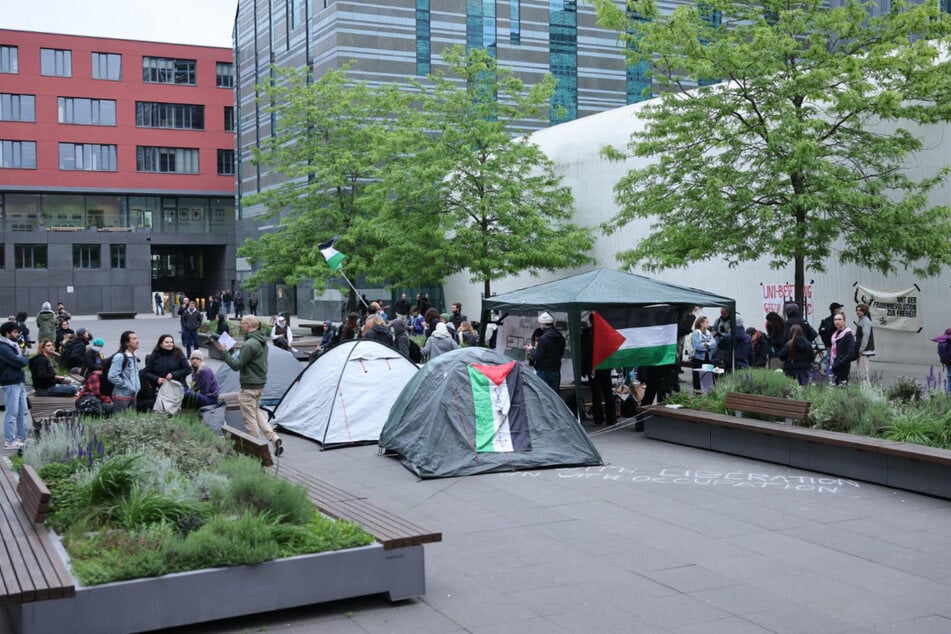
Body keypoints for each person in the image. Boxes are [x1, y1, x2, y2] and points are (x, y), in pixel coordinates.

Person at [217, 316, 283, 456]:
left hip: (248, 386)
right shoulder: (262, 341)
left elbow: (236, 365)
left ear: (249, 325)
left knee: (249, 418)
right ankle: (273, 437)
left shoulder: (250, 344)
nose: (241, 326)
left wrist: (223, 352)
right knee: (256, 412)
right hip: (259, 384)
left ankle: (257, 449)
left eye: (242, 324)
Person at [580, 316, 617, 426]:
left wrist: (583, 368)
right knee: (607, 392)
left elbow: (584, 353)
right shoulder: (606, 332)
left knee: (596, 394)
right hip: (604, 365)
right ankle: (611, 418)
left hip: (593, 367)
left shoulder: (587, 333)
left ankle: (598, 418)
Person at [0, 322, 30, 449]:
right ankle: (9, 441)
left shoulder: (13, 345)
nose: (17, 334)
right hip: (11, 382)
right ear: (7, 333)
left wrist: (22, 358)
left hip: (18, 381)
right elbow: (20, 361)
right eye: (15, 332)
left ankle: (21, 438)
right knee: (11, 413)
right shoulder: (3, 347)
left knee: (23, 411)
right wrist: (23, 358)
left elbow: (22, 359)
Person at [525, 312, 565, 393]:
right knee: (554, 396)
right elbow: (561, 353)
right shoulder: (560, 337)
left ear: (543, 324)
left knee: (544, 396)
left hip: (543, 371)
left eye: (540, 324)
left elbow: (537, 357)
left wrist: (531, 349)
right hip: (556, 370)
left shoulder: (543, 339)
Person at [107, 330, 141, 412]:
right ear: (127, 343)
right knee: (119, 420)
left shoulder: (134, 357)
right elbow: (112, 376)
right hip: (121, 396)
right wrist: (126, 386)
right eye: (134, 339)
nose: (137, 341)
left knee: (130, 420)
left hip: (133, 395)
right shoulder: (120, 357)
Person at [690, 315, 717, 392]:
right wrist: (708, 346)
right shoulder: (696, 333)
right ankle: (697, 394)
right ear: (701, 323)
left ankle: (708, 393)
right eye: (706, 322)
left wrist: (706, 344)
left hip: (708, 358)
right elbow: (697, 346)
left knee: (708, 376)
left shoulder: (708, 333)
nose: (708, 324)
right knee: (697, 378)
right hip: (698, 359)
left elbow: (714, 344)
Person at [829, 312, 856, 386]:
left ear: (844, 321)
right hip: (835, 364)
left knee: (842, 387)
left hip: (843, 365)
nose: (837, 321)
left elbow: (851, 353)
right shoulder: (835, 334)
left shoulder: (848, 334)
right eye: (835, 319)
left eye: (839, 319)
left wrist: (840, 363)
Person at [817, 302, 843, 374]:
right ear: (835, 310)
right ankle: (837, 378)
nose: (841, 310)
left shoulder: (826, 320)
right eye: (839, 308)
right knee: (838, 361)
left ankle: (830, 378)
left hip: (829, 345)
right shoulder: (838, 320)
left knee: (828, 361)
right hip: (837, 345)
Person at [854, 303, 875, 383]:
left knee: (863, 371)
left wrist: (861, 350)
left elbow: (865, 337)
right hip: (862, 349)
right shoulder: (861, 320)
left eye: (860, 310)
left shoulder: (865, 321)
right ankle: (863, 387)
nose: (858, 312)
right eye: (857, 310)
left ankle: (866, 389)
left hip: (864, 350)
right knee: (861, 370)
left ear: (864, 311)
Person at [933, 327, 951, 394]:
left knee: (949, 374)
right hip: (948, 359)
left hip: (946, 360)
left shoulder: (943, 341)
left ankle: (949, 389)